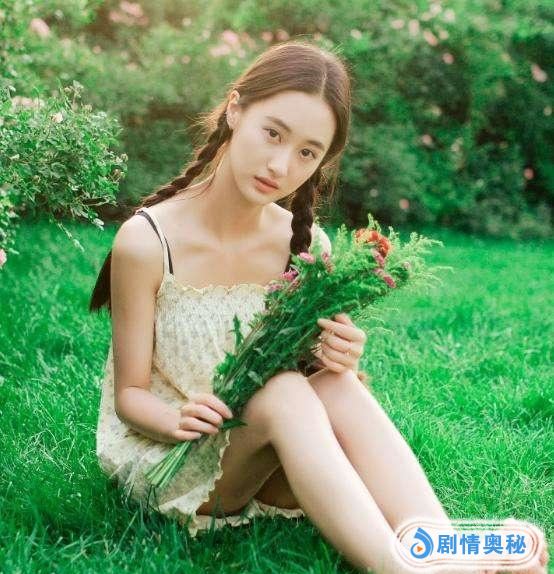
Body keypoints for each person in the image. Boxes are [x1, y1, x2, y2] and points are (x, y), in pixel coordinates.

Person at [89, 41, 548, 574]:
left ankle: (443, 547)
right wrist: (175, 419)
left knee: (333, 384)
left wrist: (338, 357)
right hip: (179, 461)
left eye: (307, 153)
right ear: (235, 110)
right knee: (285, 391)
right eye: (273, 133)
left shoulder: (306, 246)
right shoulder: (147, 241)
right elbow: (129, 397)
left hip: (271, 454)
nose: (281, 165)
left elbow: (311, 384)